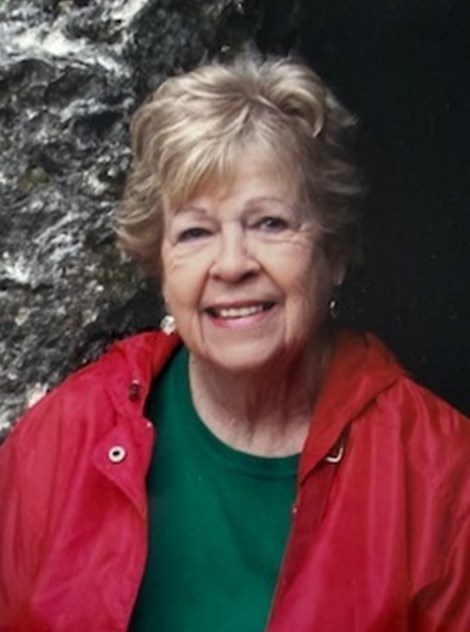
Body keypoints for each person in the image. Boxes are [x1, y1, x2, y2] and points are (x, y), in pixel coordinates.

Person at [0, 54, 468, 632]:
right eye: (195, 232)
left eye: (270, 223)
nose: (231, 264)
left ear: (335, 252)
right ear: (161, 265)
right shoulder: (61, 438)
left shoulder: (442, 476)